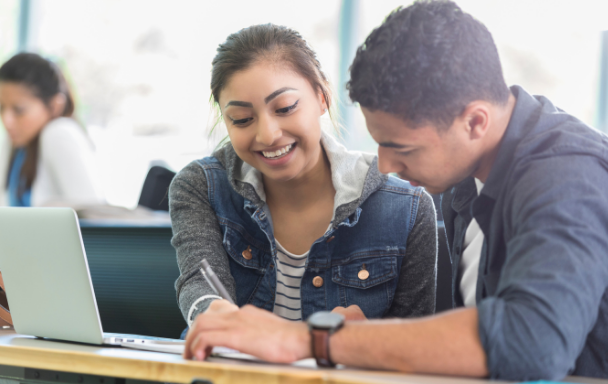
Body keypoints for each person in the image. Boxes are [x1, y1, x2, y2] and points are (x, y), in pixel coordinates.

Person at [179, 1, 608, 381]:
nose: (385, 166)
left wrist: (314, 340)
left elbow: (530, 345)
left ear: (475, 122)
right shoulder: (465, 174)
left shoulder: (568, 176)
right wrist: (369, 340)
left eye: (401, 147)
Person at [169, 24, 438, 339]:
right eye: (242, 119)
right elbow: (198, 282)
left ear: (321, 98)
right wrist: (213, 315)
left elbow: (412, 351)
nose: (267, 135)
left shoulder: (407, 210)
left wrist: (368, 344)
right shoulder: (200, 187)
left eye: (284, 108)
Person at [0, 53, 104, 207]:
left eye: (19, 110)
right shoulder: (15, 146)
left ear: (55, 106)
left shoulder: (58, 132)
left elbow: (91, 212)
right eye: (1, 108)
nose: (6, 121)